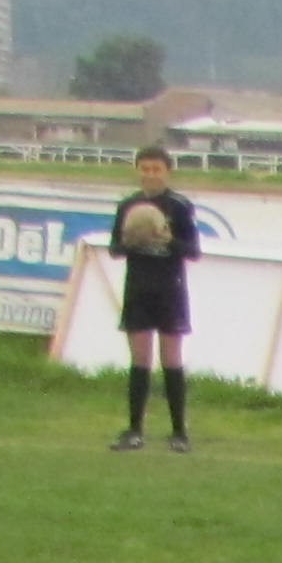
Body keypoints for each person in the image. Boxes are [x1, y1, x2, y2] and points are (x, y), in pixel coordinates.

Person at [105, 144, 201, 451]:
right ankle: (134, 430)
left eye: (156, 169)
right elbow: (115, 250)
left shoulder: (179, 206)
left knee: (171, 359)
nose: (150, 175)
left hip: (170, 287)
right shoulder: (128, 205)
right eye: (144, 169)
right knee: (140, 360)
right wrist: (132, 240)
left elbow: (193, 252)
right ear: (137, 171)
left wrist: (168, 240)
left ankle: (178, 432)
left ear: (167, 171)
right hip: (138, 287)